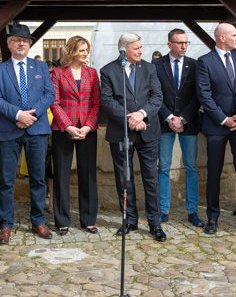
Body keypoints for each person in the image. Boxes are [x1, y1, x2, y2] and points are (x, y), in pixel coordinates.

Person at [0, 24, 55, 244]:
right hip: (9, 129)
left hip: (36, 128)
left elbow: (49, 94)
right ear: (9, 44)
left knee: (38, 178)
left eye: (25, 40)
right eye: (16, 40)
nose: (21, 43)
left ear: (29, 44)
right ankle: (6, 225)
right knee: (7, 181)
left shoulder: (40, 67)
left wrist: (31, 115)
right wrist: (17, 114)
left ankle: (38, 221)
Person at [100, 33, 166, 241]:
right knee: (124, 178)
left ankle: (155, 223)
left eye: (140, 47)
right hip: (122, 132)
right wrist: (129, 118)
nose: (140, 51)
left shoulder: (149, 68)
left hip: (148, 130)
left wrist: (141, 115)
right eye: (136, 48)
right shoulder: (109, 71)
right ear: (123, 50)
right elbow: (108, 101)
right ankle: (129, 220)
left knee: (151, 178)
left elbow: (157, 97)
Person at [196, 23, 236, 235]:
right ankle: (212, 217)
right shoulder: (205, 62)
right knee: (214, 171)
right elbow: (204, 94)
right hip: (216, 126)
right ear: (221, 38)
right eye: (234, 35)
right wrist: (224, 119)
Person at [49, 36, 100, 235]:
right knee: (61, 175)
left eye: (86, 50)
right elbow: (55, 102)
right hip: (63, 129)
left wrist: (88, 126)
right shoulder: (57, 73)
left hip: (88, 130)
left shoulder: (92, 73)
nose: (85, 53)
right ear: (71, 52)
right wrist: (68, 126)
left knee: (88, 175)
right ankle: (62, 220)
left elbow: (97, 102)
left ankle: (88, 219)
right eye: (81, 50)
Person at [153, 28, 203, 227]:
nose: (184, 46)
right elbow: (154, 93)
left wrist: (182, 118)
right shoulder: (156, 65)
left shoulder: (195, 65)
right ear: (169, 44)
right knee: (163, 167)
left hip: (188, 124)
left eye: (186, 43)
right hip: (164, 123)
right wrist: (169, 117)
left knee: (191, 167)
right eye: (179, 42)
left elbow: (198, 95)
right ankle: (162, 210)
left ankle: (193, 211)